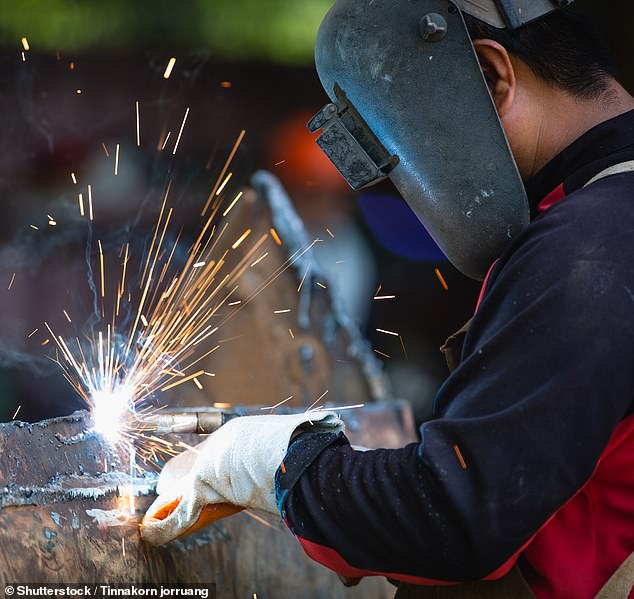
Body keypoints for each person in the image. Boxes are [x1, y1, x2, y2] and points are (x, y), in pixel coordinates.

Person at [141, 4, 634, 598]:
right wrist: (347, 462)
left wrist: (267, 460)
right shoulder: (604, 221)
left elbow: (452, 517)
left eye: (404, 148)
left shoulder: (589, 249)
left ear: (489, 77)